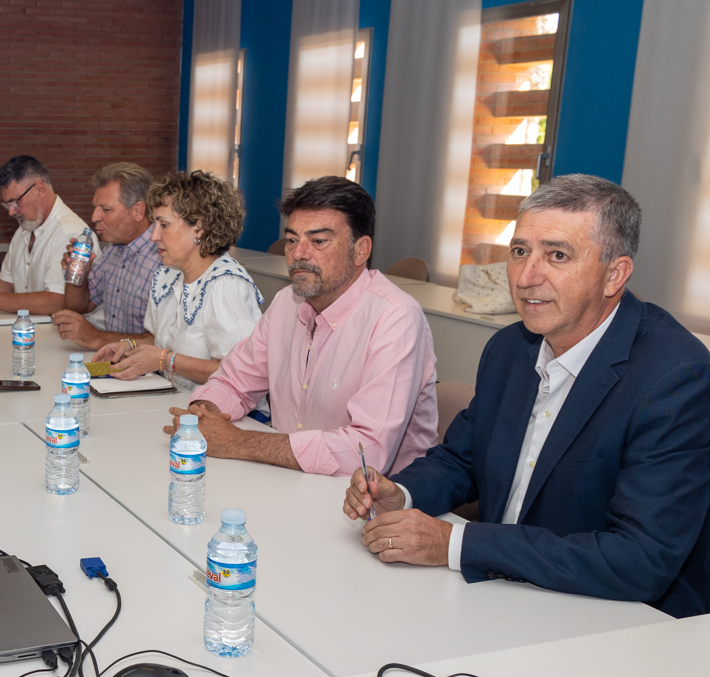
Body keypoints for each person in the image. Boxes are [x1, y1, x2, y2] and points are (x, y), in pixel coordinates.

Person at [343, 174, 710, 619]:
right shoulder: (511, 348)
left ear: (614, 274)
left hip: (624, 623)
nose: (526, 277)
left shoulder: (677, 379)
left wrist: (457, 544)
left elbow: (639, 560)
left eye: (557, 255)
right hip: (504, 597)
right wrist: (402, 494)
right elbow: (464, 458)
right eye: (520, 251)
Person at [165, 175, 438, 476]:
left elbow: (368, 451)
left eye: (318, 241)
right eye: (292, 240)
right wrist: (204, 415)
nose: (298, 253)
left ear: (361, 250)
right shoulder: (286, 302)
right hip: (288, 479)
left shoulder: (395, 318)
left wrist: (239, 442)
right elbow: (233, 379)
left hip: (372, 504)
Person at [91, 171, 263, 392]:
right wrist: (129, 346)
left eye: (163, 225)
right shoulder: (168, 274)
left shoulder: (226, 285)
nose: (154, 236)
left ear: (199, 228)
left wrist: (166, 361)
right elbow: (162, 342)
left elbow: (244, 374)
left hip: (222, 413)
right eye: (155, 224)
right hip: (175, 399)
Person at [0, 156, 89, 315]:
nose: (11, 212)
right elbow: (7, 283)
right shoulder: (24, 229)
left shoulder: (71, 233)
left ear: (40, 189)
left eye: (15, 201)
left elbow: (58, 301)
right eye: (7, 204)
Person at [53, 162, 163, 349]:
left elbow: (162, 342)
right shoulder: (113, 250)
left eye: (106, 209)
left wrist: (96, 337)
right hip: (118, 368)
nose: (95, 217)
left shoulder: (163, 257)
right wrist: (78, 275)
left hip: (152, 374)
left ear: (138, 211)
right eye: (96, 207)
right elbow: (80, 306)